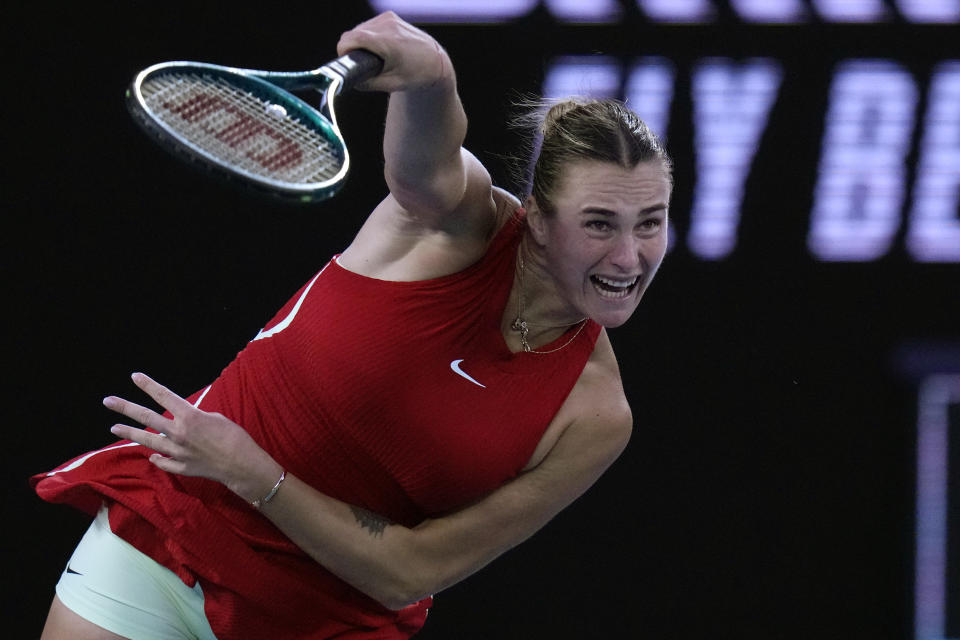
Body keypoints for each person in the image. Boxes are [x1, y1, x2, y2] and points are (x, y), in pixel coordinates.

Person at [33, 10, 673, 640]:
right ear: (536, 217)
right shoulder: (455, 225)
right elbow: (421, 166)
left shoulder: (595, 415)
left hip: (327, 626)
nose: (629, 256)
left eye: (650, 222)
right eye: (599, 223)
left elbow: (412, 571)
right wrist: (432, 81)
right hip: (174, 534)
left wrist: (257, 475)